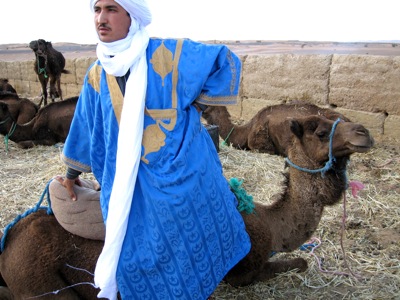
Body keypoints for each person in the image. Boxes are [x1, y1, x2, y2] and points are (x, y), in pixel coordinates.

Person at [49, 0, 251, 299]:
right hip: (128, 183)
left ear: (133, 17)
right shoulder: (96, 73)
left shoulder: (169, 54)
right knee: (138, 251)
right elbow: (85, 125)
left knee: (193, 243)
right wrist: (70, 173)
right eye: (97, 10)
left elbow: (224, 60)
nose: (101, 18)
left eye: (111, 9)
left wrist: (197, 102)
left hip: (180, 171)